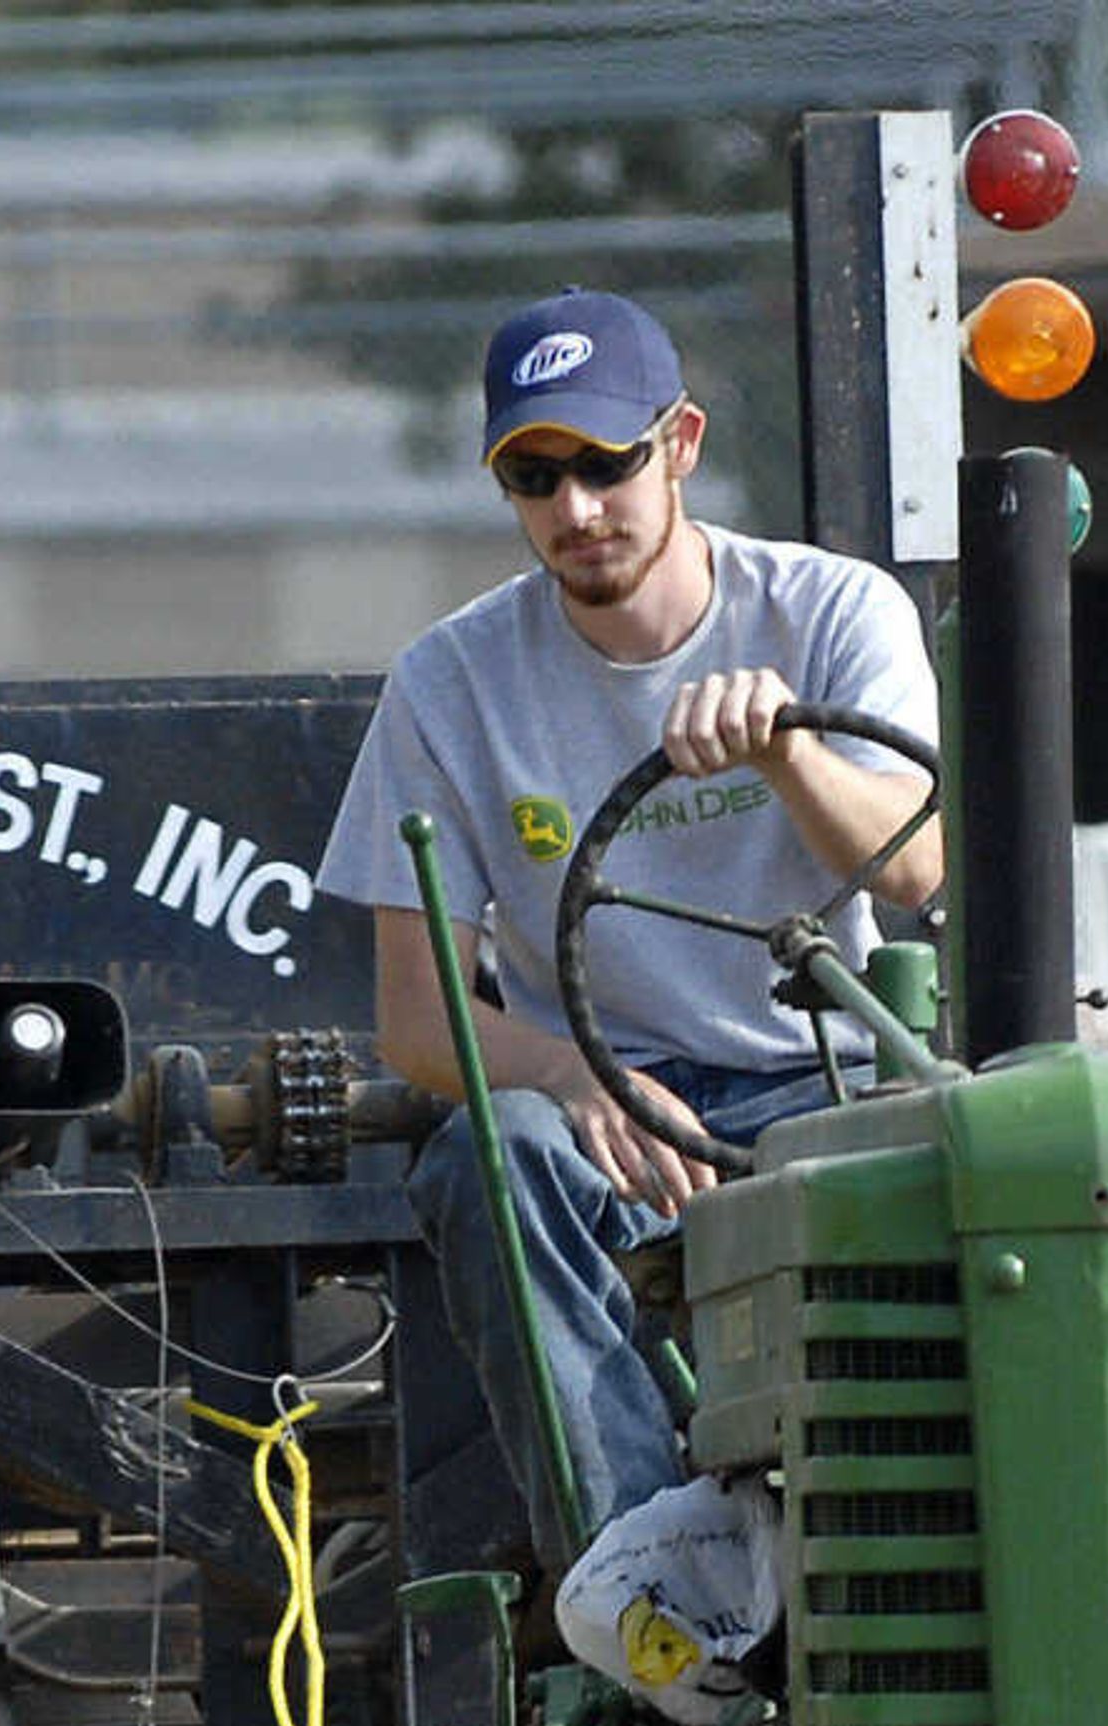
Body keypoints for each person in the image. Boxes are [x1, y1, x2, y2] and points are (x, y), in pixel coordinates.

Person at [314, 288, 944, 1572]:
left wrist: (789, 756)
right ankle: (651, 1588)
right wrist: (572, 1074)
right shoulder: (452, 680)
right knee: (496, 1154)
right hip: (610, 1119)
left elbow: (917, 870)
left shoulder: (830, 614)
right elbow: (413, 1017)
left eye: (607, 465)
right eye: (535, 478)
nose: (577, 510)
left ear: (684, 445)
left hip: (826, 1086)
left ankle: (920, 1552)